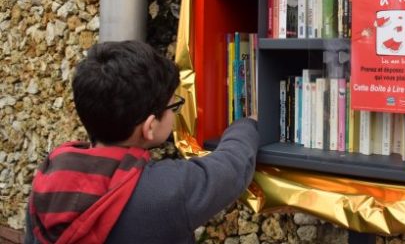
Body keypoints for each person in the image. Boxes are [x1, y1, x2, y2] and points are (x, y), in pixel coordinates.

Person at [24, 40, 259, 243]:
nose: (175, 113)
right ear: (149, 127)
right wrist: (248, 123)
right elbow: (232, 167)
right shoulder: (167, 192)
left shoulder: (50, 174)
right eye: (173, 106)